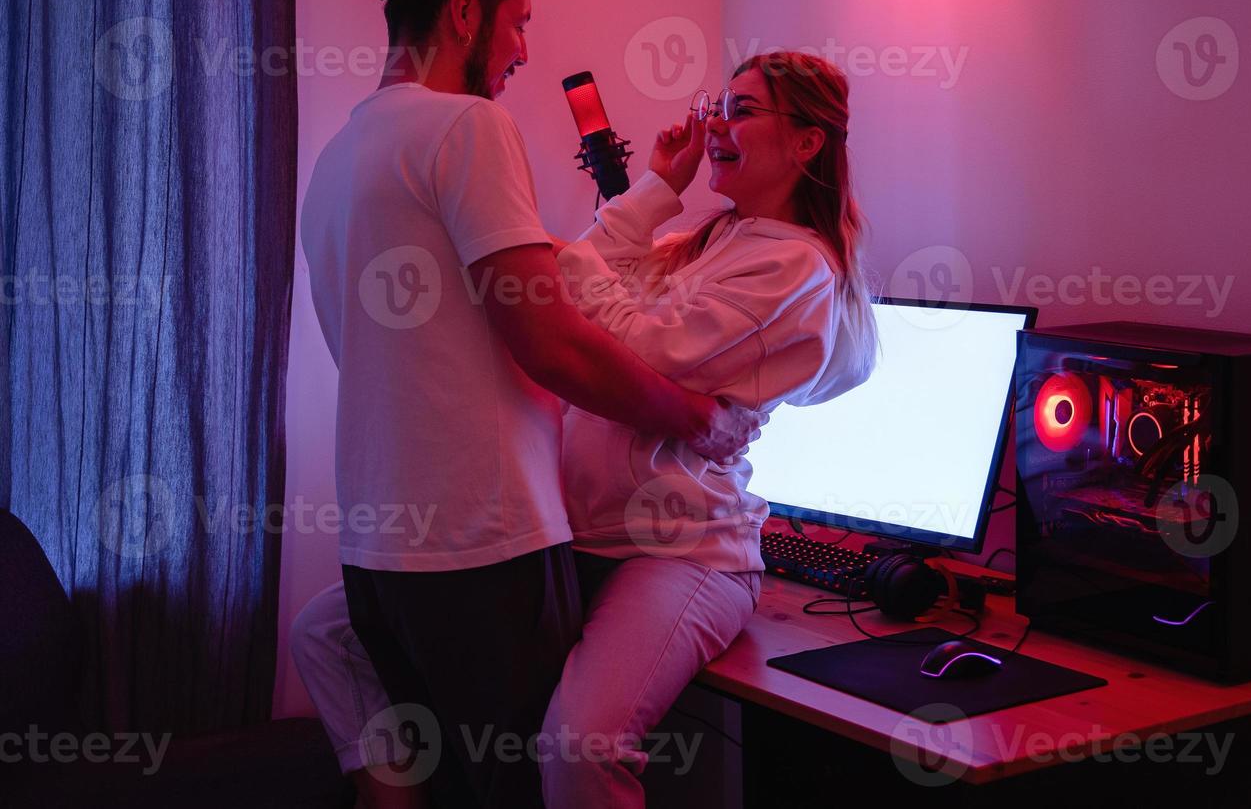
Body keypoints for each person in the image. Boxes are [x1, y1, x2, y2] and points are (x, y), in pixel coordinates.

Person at [294, 50, 877, 808]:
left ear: (806, 142)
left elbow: (639, 346)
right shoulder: (710, 241)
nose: (716, 125)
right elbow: (586, 271)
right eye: (719, 105)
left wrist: (564, 276)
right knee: (327, 633)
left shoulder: (797, 268)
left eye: (742, 110)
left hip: (679, 552)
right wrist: (660, 187)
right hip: (575, 539)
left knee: (581, 746)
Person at [297, 0, 761, 808]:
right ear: (466, 14)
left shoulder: (341, 154)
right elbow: (546, 339)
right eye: (520, 23)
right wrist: (690, 416)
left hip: (378, 556)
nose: (522, 49)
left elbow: (433, 346)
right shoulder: (465, 128)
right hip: (483, 547)